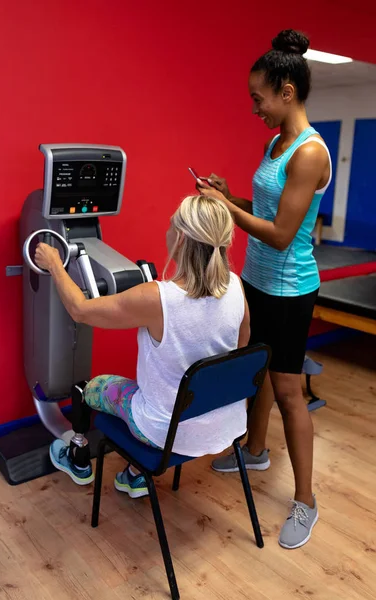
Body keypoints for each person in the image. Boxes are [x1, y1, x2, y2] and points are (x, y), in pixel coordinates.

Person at [198, 29, 332, 549]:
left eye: (259, 97)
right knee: (256, 372)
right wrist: (233, 196)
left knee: (288, 390)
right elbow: (270, 214)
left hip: (290, 288)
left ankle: (307, 502)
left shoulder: (310, 153)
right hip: (254, 280)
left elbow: (280, 238)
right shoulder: (274, 143)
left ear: (287, 91)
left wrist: (224, 207)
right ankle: (255, 449)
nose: (255, 107)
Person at [34, 194, 250, 498]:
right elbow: (239, 350)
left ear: (181, 237)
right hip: (225, 426)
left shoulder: (156, 298)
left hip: (163, 432)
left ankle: (78, 459)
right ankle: (133, 474)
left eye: (171, 224)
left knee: (90, 389)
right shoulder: (237, 287)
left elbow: (81, 309)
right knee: (164, 392)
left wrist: (55, 264)